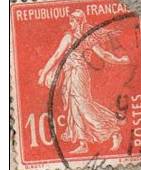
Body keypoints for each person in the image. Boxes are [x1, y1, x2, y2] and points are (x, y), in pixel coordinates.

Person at [36, 9, 128, 155]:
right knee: (73, 108)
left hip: (79, 73)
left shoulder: (86, 38)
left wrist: (119, 60)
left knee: (84, 105)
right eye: (70, 20)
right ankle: (82, 142)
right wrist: (44, 74)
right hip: (69, 74)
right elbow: (56, 56)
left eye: (73, 21)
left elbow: (103, 54)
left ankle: (113, 132)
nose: (70, 23)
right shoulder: (68, 37)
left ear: (79, 22)